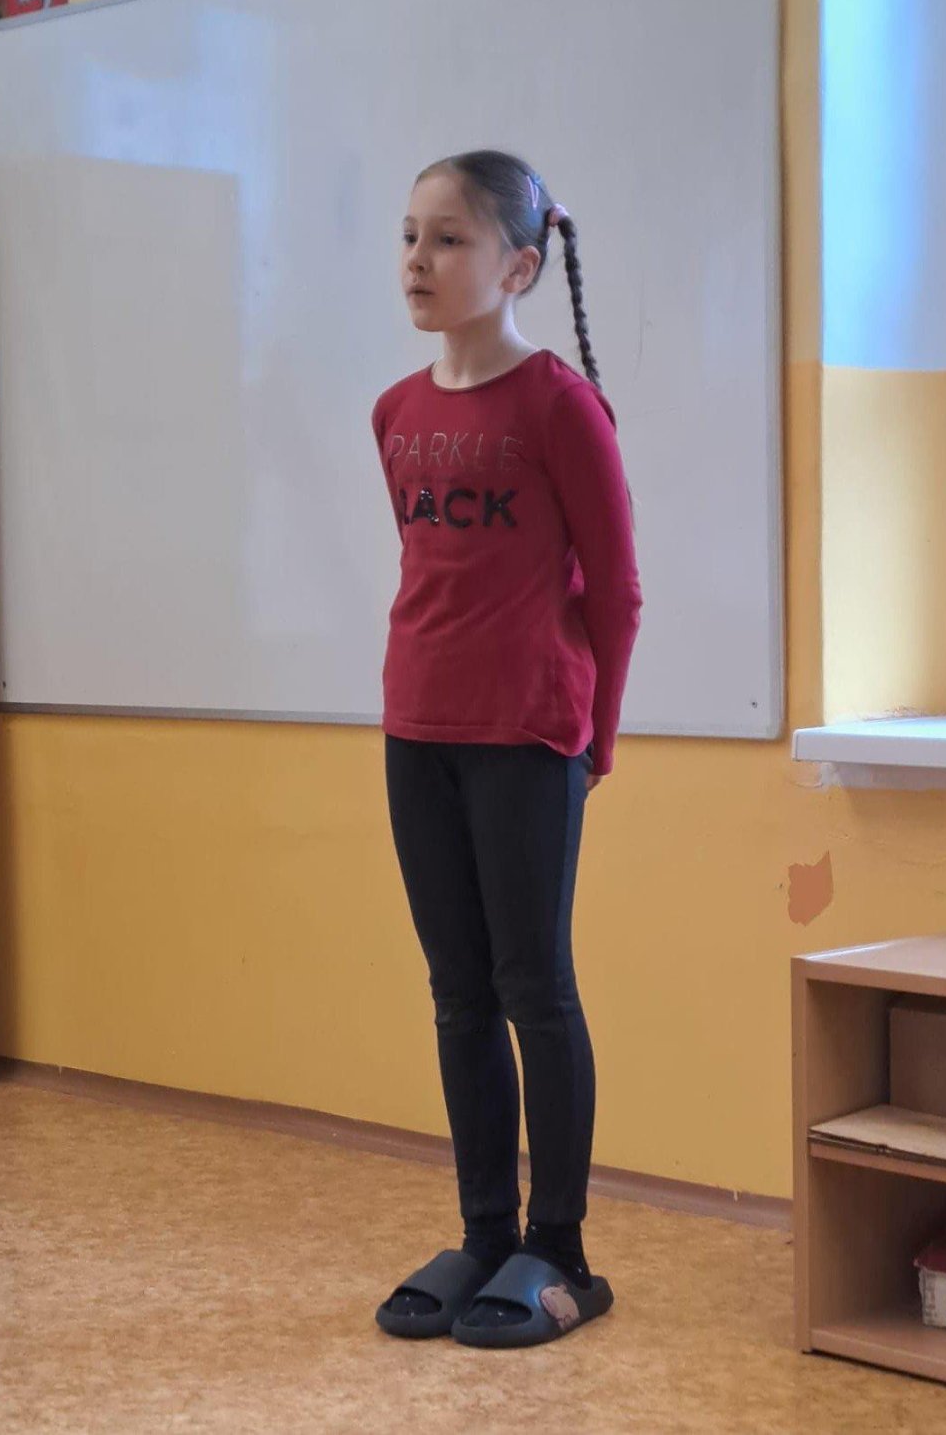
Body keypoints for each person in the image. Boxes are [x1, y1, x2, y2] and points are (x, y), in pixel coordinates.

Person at [371, 149, 642, 1349]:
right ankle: (486, 1233)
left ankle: (560, 1250)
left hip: (528, 731)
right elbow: (432, 572)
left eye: (449, 239)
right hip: (417, 727)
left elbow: (616, 591)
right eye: (409, 236)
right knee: (457, 991)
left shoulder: (559, 405)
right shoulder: (395, 410)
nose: (418, 260)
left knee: (535, 984)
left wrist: (597, 734)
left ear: (519, 265)